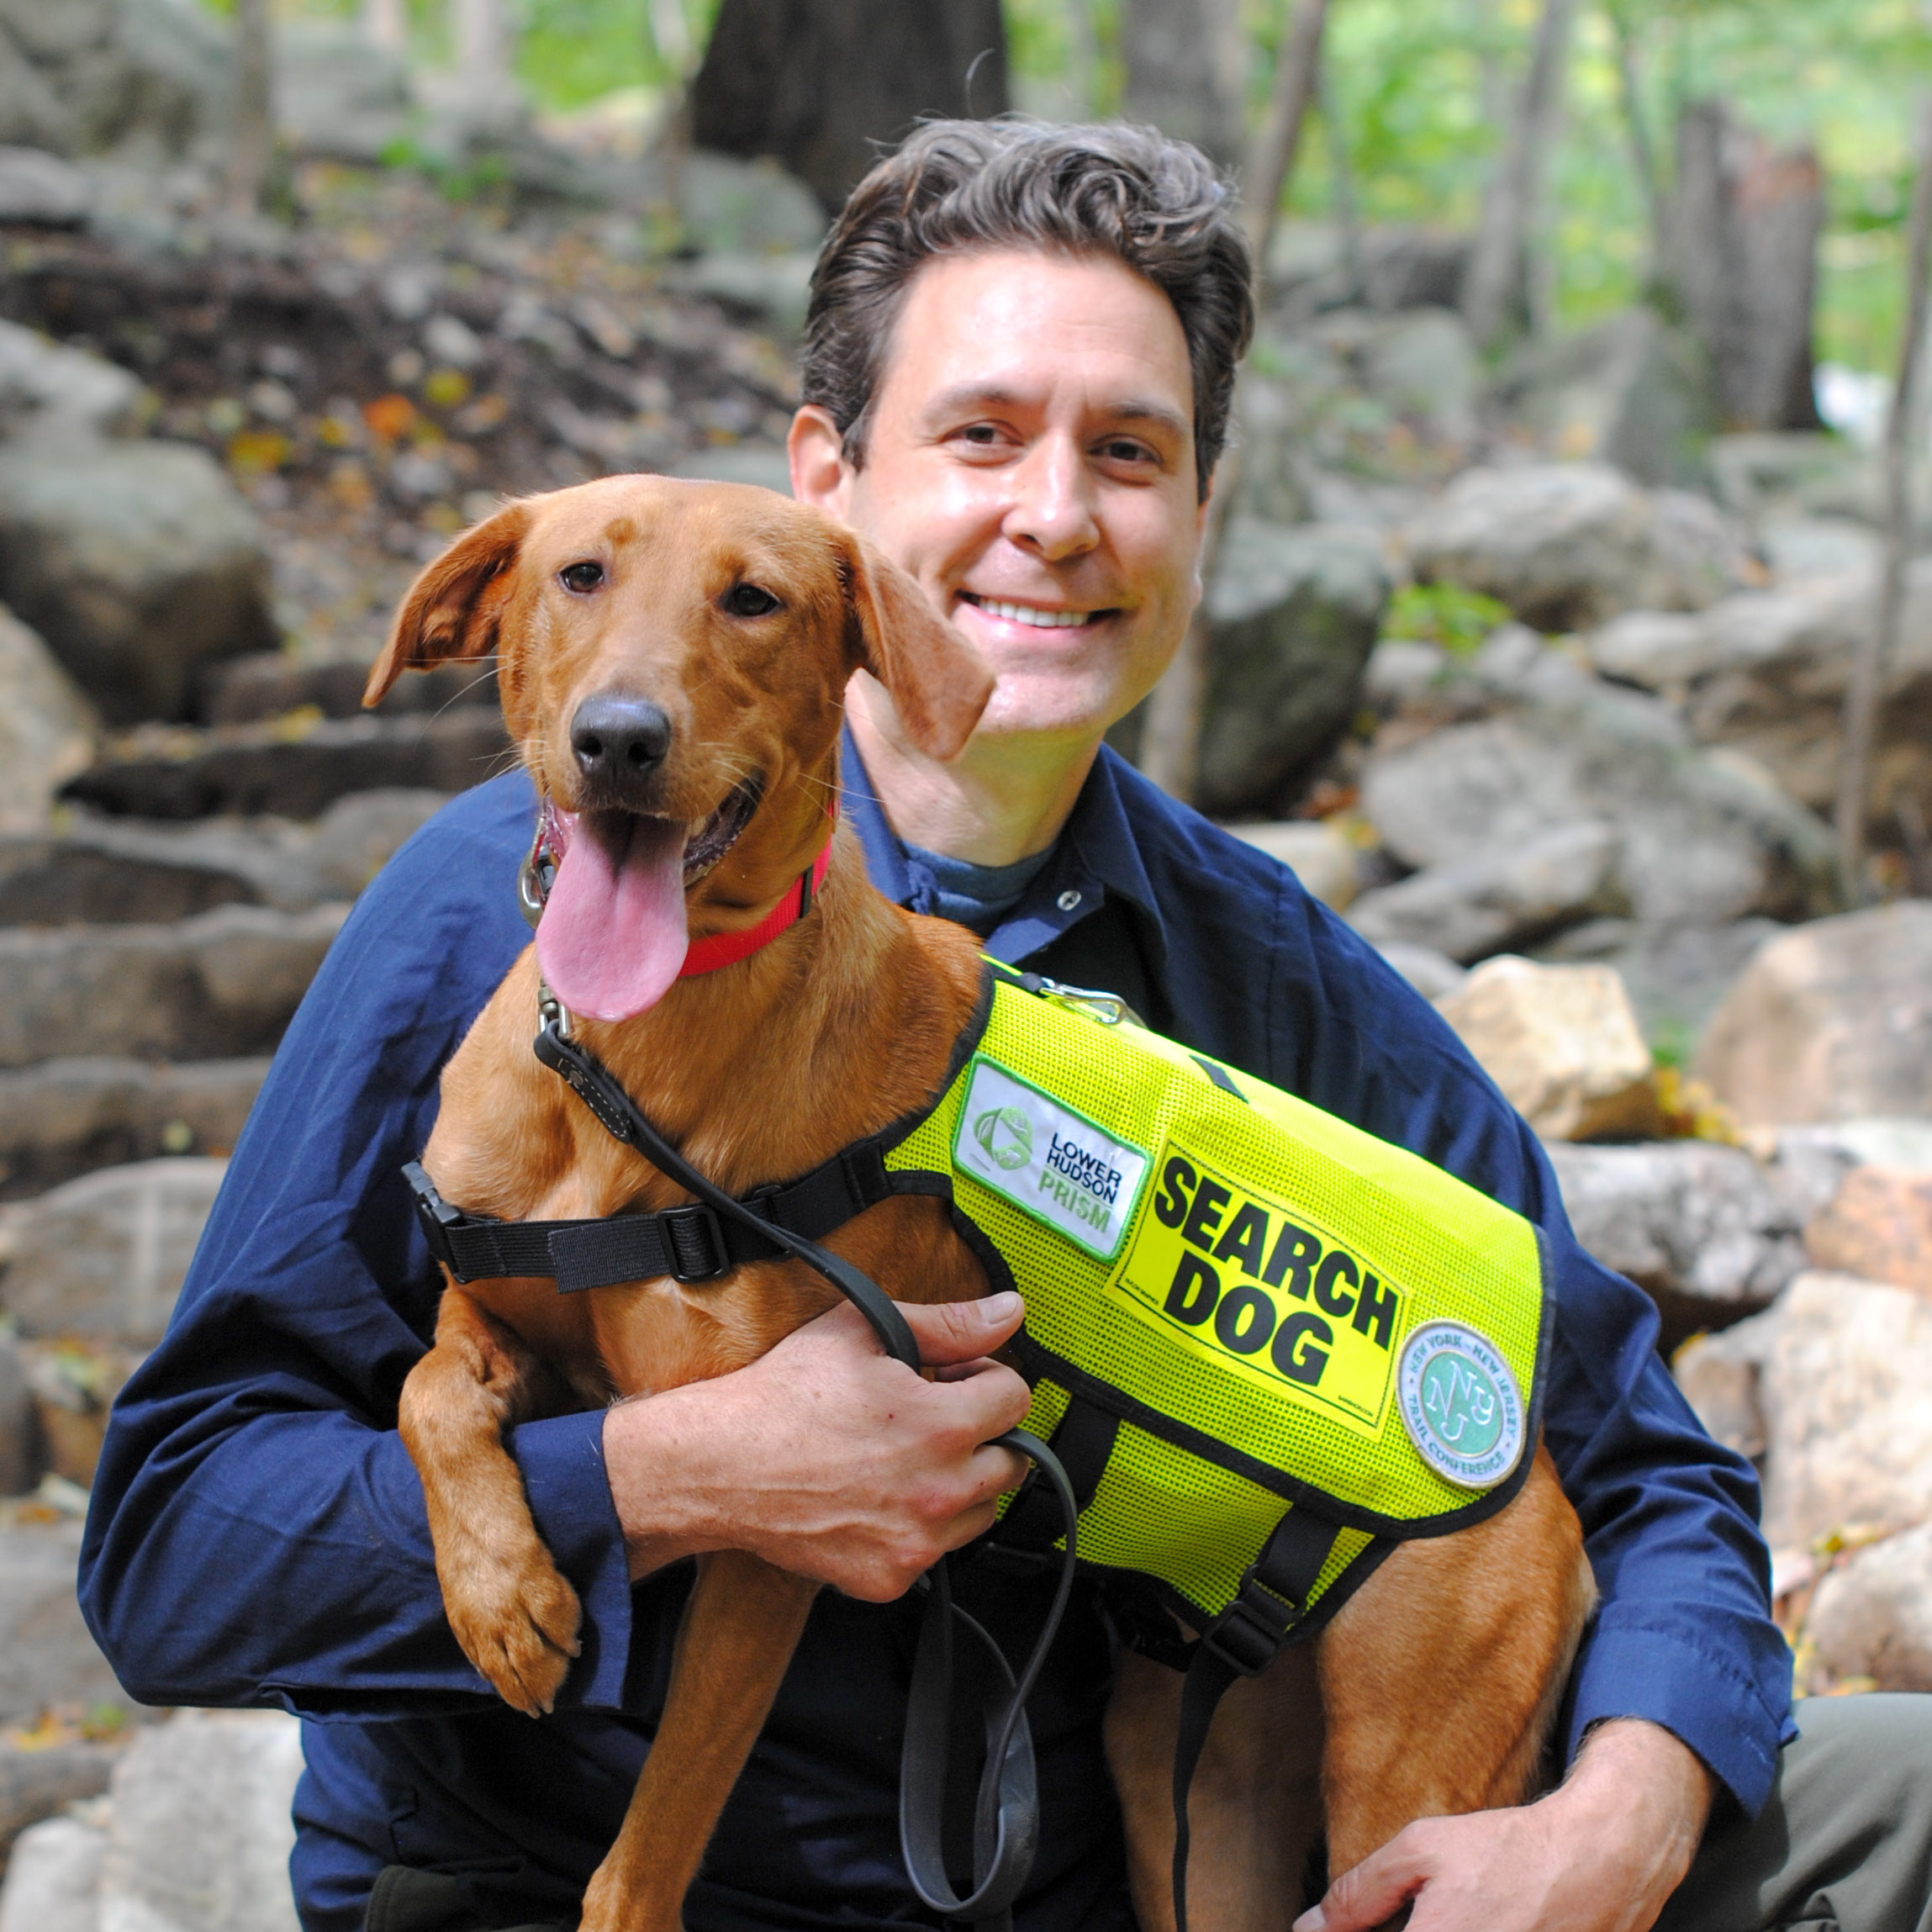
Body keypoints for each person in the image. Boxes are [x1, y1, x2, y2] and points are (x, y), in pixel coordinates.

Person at [78, 119, 1929, 1932]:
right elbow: (169, 1553)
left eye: (1129, 452)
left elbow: (1633, 1448)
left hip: (1109, 1872)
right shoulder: (492, 915)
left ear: (1201, 516)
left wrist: (1630, 1799)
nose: (1055, 517)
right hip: (563, 1884)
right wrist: (664, 1480)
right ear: (830, 481)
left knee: (1898, 1795)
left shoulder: (1268, 979)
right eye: (981, 435)